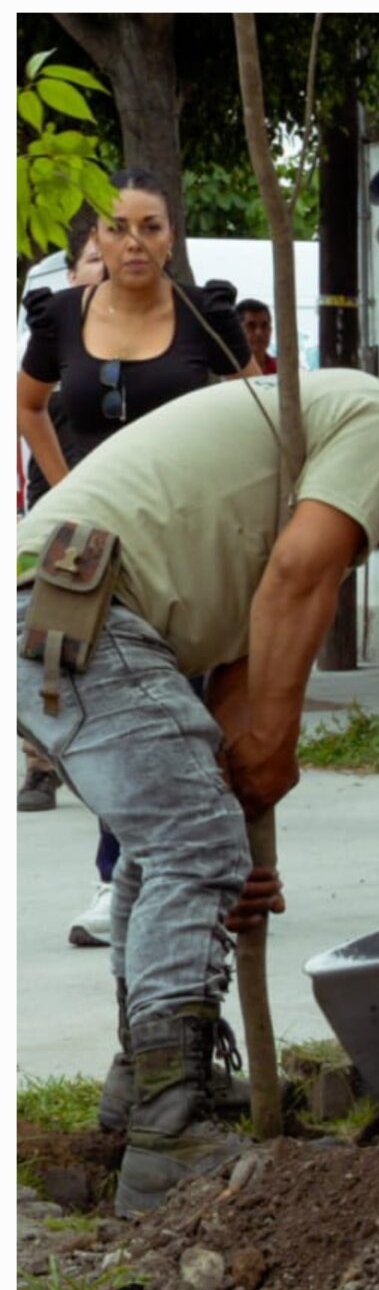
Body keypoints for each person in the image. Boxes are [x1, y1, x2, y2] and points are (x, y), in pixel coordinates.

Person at [16, 368, 379, 1215]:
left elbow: (251, 652)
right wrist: (272, 755)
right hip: (81, 599)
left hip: (76, 596)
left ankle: (144, 1091)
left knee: (180, 842)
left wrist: (239, 812)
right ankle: (172, 1131)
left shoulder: (325, 464)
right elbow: (295, 581)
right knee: (190, 845)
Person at [15, 171, 254, 955]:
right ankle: (118, 872)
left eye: (150, 228)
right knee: (107, 716)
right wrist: (65, 478)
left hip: (183, 546)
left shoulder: (202, 316)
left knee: (180, 709)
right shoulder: (60, 317)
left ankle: (191, 875)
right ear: (98, 241)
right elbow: (28, 401)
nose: (134, 244)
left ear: (171, 238)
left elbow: (256, 410)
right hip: (83, 547)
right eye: (118, 229)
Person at [17, 210, 106, 814]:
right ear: (73, 271)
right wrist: (71, 491)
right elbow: (30, 411)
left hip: (127, 508)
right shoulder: (54, 334)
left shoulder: (154, 337)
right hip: (60, 501)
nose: (109, 267)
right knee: (43, 641)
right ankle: (39, 765)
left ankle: (102, 758)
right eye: (95, 258)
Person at [234, 298, 282, 376]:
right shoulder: (229, 372)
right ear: (237, 331)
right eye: (251, 326)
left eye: (264, 326)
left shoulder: (283, 371)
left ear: (270, 330)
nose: (259, 333)